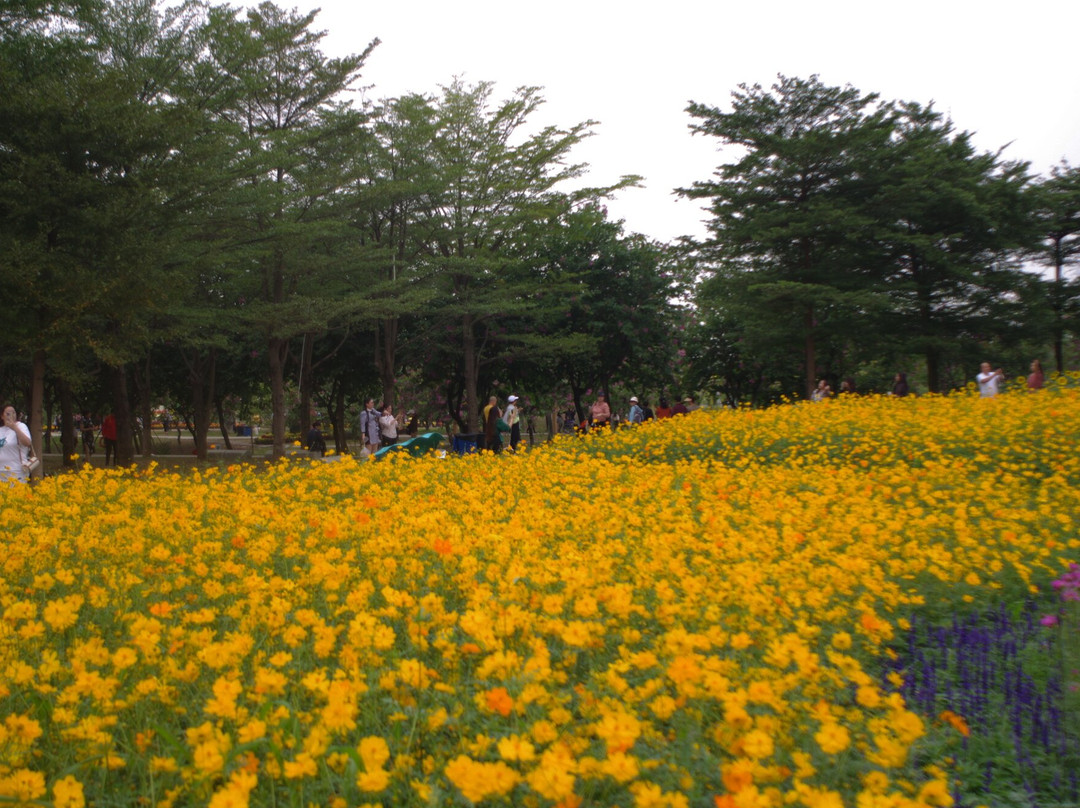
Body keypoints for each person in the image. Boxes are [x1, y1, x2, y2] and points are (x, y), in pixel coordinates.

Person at [0, 404, 33, 484]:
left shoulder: (21, 426)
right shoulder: (1, 430)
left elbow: (27, 443)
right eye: (8, 413)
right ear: (2, 416)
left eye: (13, 413)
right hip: (2, 470)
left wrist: (14, 428)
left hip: (17, 470)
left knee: (16, 495)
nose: (11, 415)